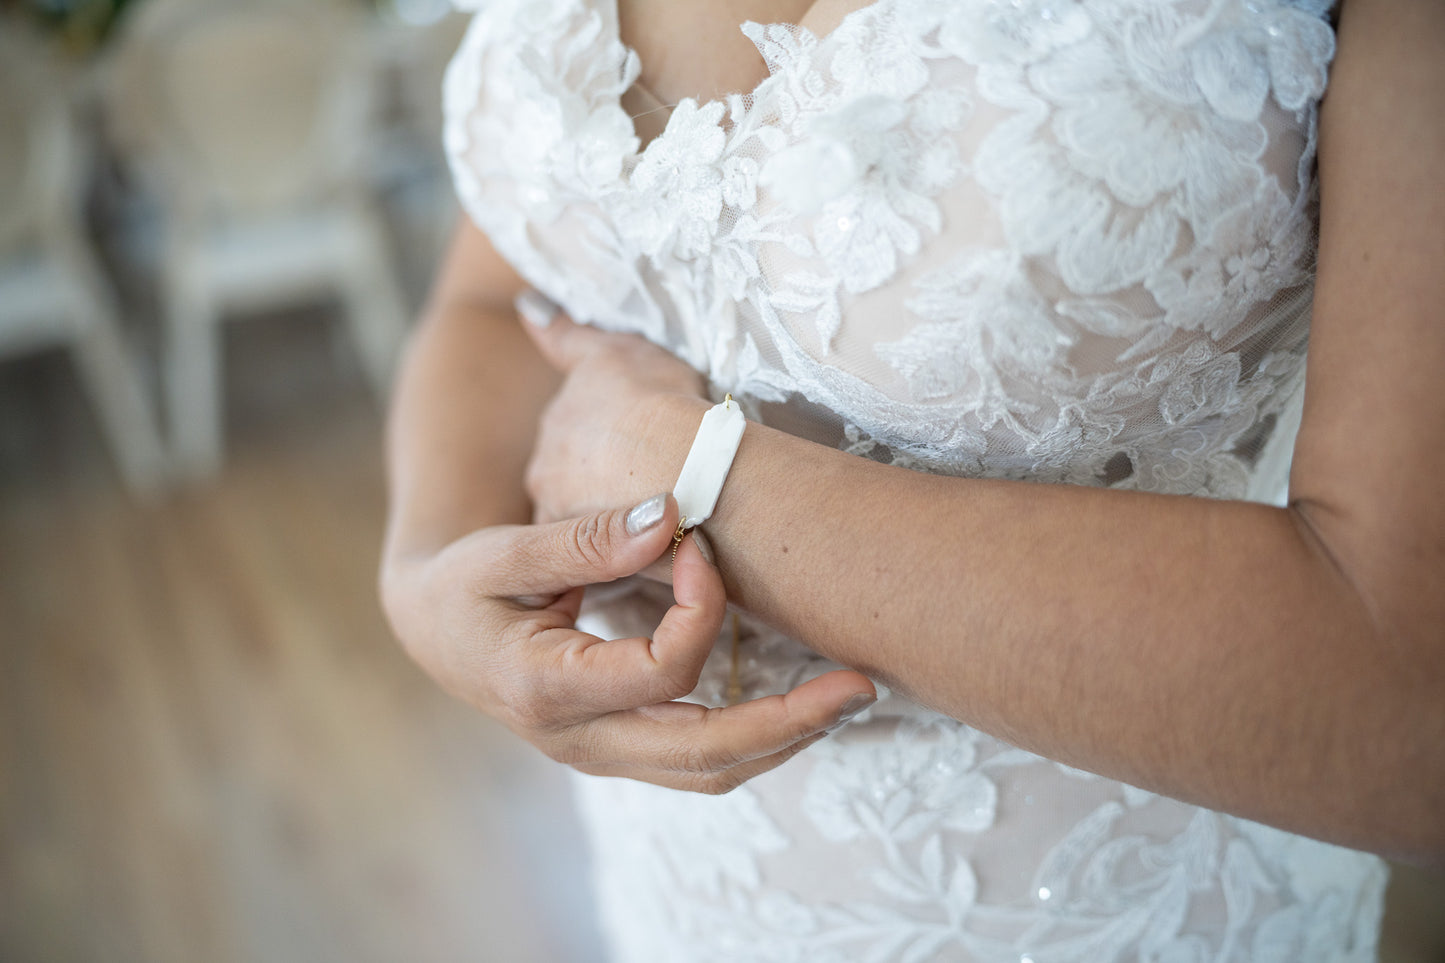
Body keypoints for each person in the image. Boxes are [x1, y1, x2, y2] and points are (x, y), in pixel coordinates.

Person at [380, 0, 1444, 958]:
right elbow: (504, 289)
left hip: (1106, 907)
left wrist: (693, 479)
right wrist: (428, 575)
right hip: (679, 888)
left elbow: (1408, 706)